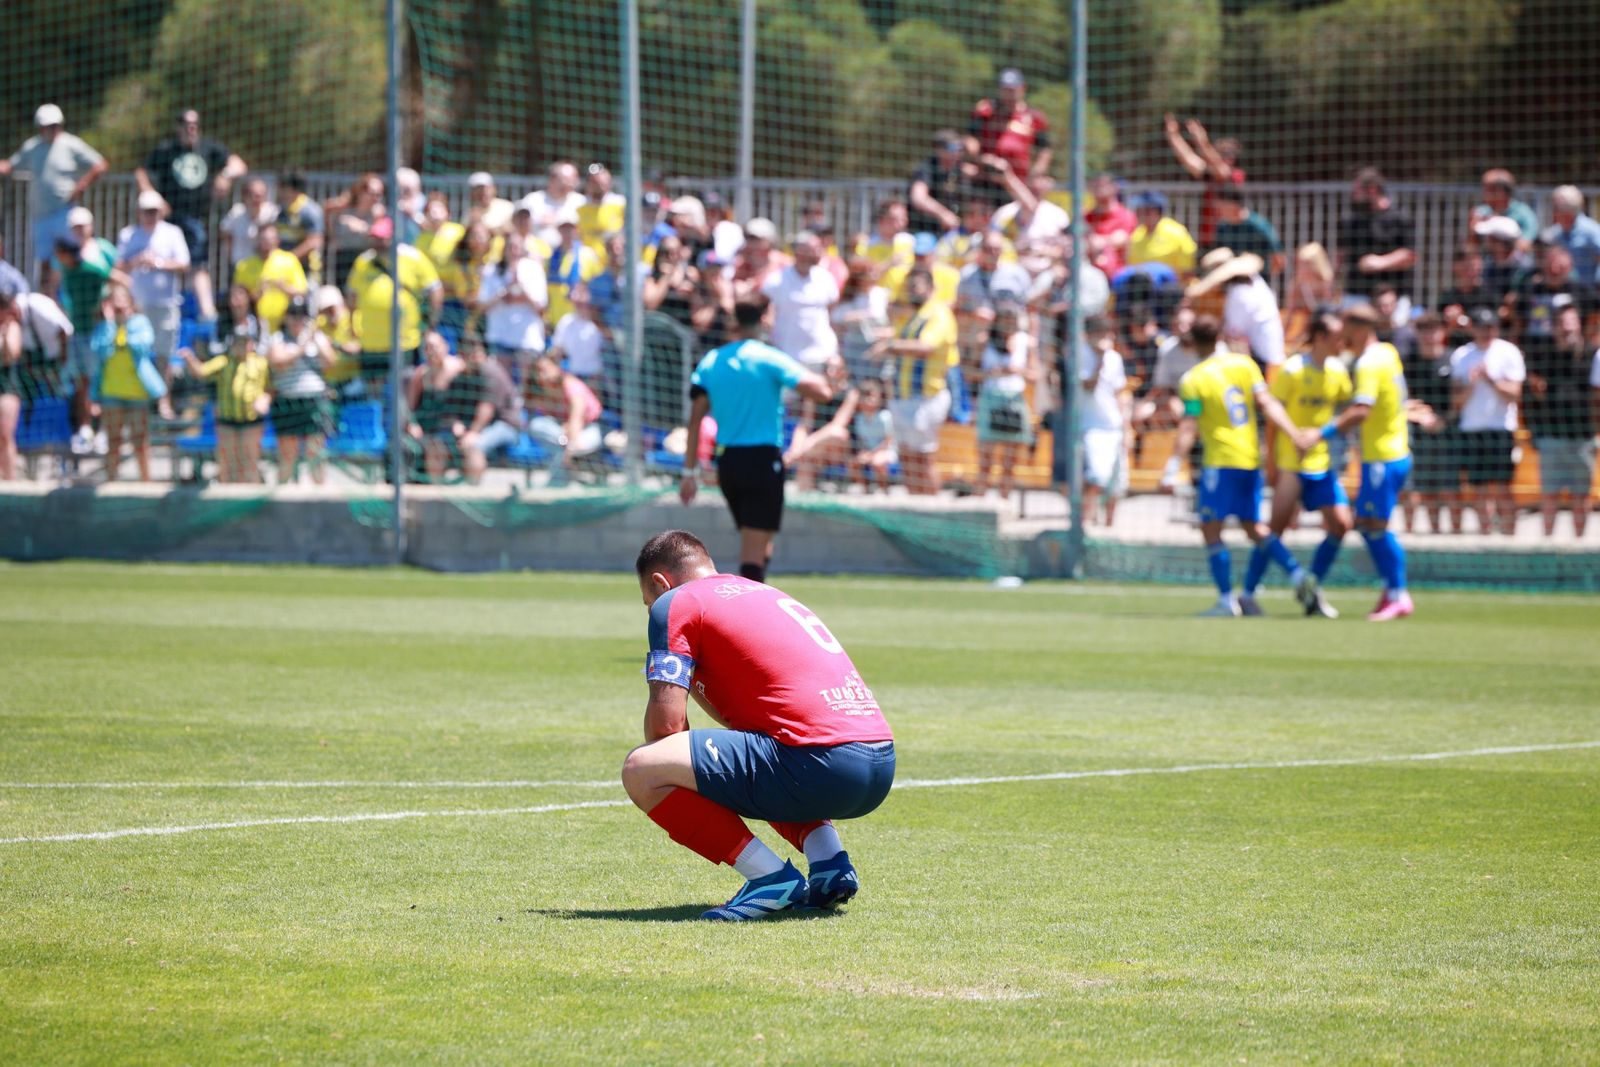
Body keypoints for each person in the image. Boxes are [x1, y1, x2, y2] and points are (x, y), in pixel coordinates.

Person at [623, 529, 895, 920]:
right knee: (762, 750)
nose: (653, 611)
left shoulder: (675, 602)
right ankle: (829, 862)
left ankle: (770, 879)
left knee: (642, 769)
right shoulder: (762, 592)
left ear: (659, 584)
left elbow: (665, 732)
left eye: (648, 603)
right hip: (878, 764)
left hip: (819, 763)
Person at [680, 294, 832, 583]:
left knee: (760, 540)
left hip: (728, 463)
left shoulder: (712, 360)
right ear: (764, 318)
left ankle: (756, 592)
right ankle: (749, 613)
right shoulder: (768, 357)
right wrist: (827, 379)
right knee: (753, 550)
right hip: (761, 461)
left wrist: (689, 471)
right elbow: (820, 392)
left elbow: (695, 419)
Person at [1173, 315, 1316, 616]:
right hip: (1251, 459)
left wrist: (1173, 465)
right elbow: (1268, 404)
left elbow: (1189, 425)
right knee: (1253, 528)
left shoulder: (1193, 379)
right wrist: (1293, 433)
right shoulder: (1245, 365)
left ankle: (1226, 600)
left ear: (1191, 344)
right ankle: (1298, 575)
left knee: (1211, 528)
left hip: (1219, 461)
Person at [1311, 304, 1419, 620]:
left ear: (1356, 329)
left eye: (1344, 329)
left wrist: (1321, 432)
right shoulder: (1387, 351)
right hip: (1395, 451)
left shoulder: (1369, 364)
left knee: (1375, 525)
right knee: (1369, 524)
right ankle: (1391, 590)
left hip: (1382, 456)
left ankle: (1398, 594)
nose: (1340, 336)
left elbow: (1362, 410)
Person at [1262, 311, 1355, 618]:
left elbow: (1349, 410)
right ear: (1319, 336)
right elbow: (1272, 418)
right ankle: (1248, 593)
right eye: (1336, 336)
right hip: (1291, 462)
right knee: (1274, 529)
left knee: (1341, 525)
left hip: (1322, 462)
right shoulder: (1292, 370)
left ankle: (1310, 582)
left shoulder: (1338, 372)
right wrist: (1271, 463)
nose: (1342, 341)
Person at [135, 109, 246, 322]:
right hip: (168, 220)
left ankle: (207, 315)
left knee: (198, 265)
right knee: (163, 263)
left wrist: (225, 175)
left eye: (195, 124)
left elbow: (239, 164)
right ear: (178, 128)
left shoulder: (208, 148)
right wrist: (152, 195)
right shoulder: (167, 150)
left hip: (197, 219)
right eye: (187, 125)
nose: (191, 129)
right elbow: (141, 172)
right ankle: (152, 311)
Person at [345, 214, 443, 439]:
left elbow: (435, 290)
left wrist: (431, 325)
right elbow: (352, 295)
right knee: (374, 398)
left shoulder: (413, 258)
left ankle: (400, 440)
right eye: (375, 238)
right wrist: (352, 327)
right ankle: (379, 440)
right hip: (371, 343)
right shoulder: (364, 261)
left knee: (403, 396)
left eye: (383, 238)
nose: (378, 243)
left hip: (405, 343)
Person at [0, 104, 108, 294]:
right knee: (44, 262)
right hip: (40, 215)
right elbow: (10, 165)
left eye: (56, 125)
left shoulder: (71, 144)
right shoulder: (32, 147)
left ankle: (73, 296)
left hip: (63, 212)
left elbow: (100, 164)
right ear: (40, 127)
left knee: (70, 256)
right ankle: (46, 300)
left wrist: (82, 185)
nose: (53, 130)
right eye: (48, 126)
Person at [869, 267, 959, 495]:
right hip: (903, 396)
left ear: (930, 288)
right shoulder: (912, 314)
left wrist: (890, 346)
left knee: (924, 458)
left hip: (926, 397)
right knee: (907, 456)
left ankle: (933, 511)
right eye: (909, 287)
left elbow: (926, 346)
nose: (911, 292)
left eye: (916, 287)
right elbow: (899, 336)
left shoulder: (939, 314)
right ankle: (914, 506)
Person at [1449, 308, 1525, 537]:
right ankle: (1487, 535)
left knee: (1503, 488)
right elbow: (1456, 401)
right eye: (1482, 327)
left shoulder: (1508, 352)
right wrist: (1472, 384)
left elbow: (1515, 394)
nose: (1486, 332)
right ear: (1473, 328)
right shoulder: (1461, 355)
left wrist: (1491, 380)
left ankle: (1509, 537)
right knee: (1479, 489)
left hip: (1501, 430)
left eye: (1491, 327)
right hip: (1472, 430)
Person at [183, 284, 270, 484]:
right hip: (227, 416)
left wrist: (265, 398)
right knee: (227, 463)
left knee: (249, 463)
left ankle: (249, 505)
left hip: (250, 419)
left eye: (244, 341)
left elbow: (270, 387)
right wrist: (189, 359)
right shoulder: (223, 360)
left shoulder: (260, 363)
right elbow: (201, 372)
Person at [1525, 305, 1596, 537]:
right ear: (1554, 326)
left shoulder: (1591, 354)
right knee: (1549, 495)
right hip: (1551, 437)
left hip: (1582, 437)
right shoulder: (1543, 356)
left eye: (1570, 322)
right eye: (1561, 322)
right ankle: (1548, 543)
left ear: (1578, 325)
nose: (1566, 327)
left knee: (1581, 495)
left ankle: (1579, 543)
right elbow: (1531, 396)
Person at [89, 282, 171, 482]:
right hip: (111, 393)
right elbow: (98, 349)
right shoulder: (104, 327)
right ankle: (111, 481)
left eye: (122, 301)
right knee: (113, 441)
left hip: (137, 393)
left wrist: (124, 329)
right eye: (114, 302)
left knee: (140, 441)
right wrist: (111, 324)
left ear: (130, 303)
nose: (118, 306)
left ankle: (146, 481)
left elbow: (143, 346)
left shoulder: (140, 323)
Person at [54, 230, 128, 446]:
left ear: (65, 253)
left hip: (98, 333)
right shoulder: (66, 272)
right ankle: (85, 428)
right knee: (81, 383)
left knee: (101, 381)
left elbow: (122, 281)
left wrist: (108, 304)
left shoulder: (93, 269)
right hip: (77, 333)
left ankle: (105, 430)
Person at [116, 190, 191, 373]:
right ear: (138, 212)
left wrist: (159, 263)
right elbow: (118, 267)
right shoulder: (128, 234)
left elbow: (184, 264)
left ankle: (163, 398)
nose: (150, 215)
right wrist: (136, 260)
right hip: (136, 306)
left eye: (154, 211)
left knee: (165, 354)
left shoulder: (173, 233)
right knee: (135, 350)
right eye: (146, 211)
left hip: (166, 305)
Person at [265, 297, 336, 483]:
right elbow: (277, 361)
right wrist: (301, 347)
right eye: (293, 315)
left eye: (301, 315)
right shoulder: (278, 338)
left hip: (314, 401)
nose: (297, 320)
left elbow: (331, 363)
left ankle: (320, 494)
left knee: (316, 453)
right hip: (288, 401)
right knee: (287, 454)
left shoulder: (317, 338)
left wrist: (316, 339)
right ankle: (282, 497)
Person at [1401, 313, 1461, 534]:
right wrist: (1420, 415)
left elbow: (1461, 397)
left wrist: (1443, 420)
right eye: (1424, 330)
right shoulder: (1408, 364)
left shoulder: (1453, 359)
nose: (1429, 335)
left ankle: (1457, 537)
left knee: (1450, 487)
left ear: (1443, 332)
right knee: (1422, 488)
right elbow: (1402, 399)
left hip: (1448, 431)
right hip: (1417, 432)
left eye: (1434, 330)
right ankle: (1428, 534)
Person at [1187, 248, 1284, 370]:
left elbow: (1234, 333)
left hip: (1264, 359)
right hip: (1268, 354)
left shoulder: (1238, 294)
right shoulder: (1254, 282)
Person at [967, 68, 1051, 200]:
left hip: (1018, 184)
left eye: (1012, 90)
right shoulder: (986, 112)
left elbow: (1044, 150)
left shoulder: (1034, 117)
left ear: (1022, 89)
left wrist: (1036, 173)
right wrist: (980, 158)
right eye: (1005, 90)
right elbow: (971, 139)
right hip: (987, 181)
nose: (1009, 94)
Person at [1162, 113, 1243, 249]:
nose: (1225, 158)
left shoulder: (1236, 175)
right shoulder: (1210, 174)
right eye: (1222, 153)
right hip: (1209, 238)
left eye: (1228, 154)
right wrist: (1173, 135)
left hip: (1234, 238)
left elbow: (1219, 167)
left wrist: (1201, 141)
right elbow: (1188, 158)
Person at [1075, 317, 1128, 525]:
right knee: (1096, 476)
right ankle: (1086, 523)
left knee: (1117, 483)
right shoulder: (1080, 355)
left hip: (1114, 426)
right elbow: (1087, 386)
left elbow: (1120, 393)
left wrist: (1126, 427)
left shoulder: (1115, 358)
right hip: (1091, 426)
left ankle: (1109, 526)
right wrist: (1099, 361)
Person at [1337, 168, 1416, 306]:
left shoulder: (1400, 217)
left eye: (1358, 191)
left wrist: (1381, 262)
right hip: (1357, 294)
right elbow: (1341, 255)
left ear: (1372, 190)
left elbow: (1410, 255)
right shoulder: (1352, 219)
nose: (1354, 196)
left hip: (1394, 296)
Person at [477, 233, 549, 383]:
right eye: (511, 246)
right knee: (501, 383)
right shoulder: (493, 269)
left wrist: (522, 293)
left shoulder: (534, 269)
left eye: (518, 247)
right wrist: (504, 294)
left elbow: (541, 307)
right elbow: (482, 305)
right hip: (499, 336)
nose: (514, 251)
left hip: (527, 339)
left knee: (524, 385)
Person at [524, 352, 604, 487]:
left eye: (545, 369)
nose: (541, 374)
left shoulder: (572, 385)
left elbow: (577, 418)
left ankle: (554, 487)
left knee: (570, 447)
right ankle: (561, 484)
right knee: (535, 425)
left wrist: (571, 442)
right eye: (537, 371)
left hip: (589, 429)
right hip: (561, 434)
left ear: (557, 368)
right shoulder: (541, 390)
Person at [783, 356, 858, 492]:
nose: (831, 372)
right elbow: (805, 425)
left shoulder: (851, 393)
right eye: (827, 368)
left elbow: (837, 424)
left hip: (841, 448)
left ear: (844, 371)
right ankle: (806, 501)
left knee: (837, 433)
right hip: (815, 450)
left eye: (835, 368)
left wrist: (804, 446)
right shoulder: (815, 392)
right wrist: (794, 449)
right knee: (805, 461)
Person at [232, 223, 307, 335]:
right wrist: (256, 295)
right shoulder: (244, 266)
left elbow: (302, 291)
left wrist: (283, 287)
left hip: (285, 328)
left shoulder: (289, 260)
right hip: (254, 326)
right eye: (264, 239)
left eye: (270, 239)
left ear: (277, 240)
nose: (267, 243)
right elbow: (237, 298)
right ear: (257, 240)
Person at [831, 258, 891, 385]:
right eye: (869, 272)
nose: (874, 275)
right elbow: (836, 321)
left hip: (879, 351)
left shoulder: (881, 295)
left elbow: (892, 323)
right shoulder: (850, 298)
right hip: (854, 352)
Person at [907, 130, 975, 236]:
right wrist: (943, 214)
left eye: (960, 148)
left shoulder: (959, 169)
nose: (957, 153)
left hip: (955, 231)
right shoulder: (927, 168)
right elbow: (918, 198)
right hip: (925, 230)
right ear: (939, 150)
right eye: (952, 148)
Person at [1211, 187, 1285, 276]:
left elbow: (1279, 259)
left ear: (1235, 205)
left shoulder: (1259, 226)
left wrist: (1262, 279)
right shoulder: (1222, 227)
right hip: (1229, 283)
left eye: (1222, 206)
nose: (1219, 210)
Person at [1126, 191, 1197, 278]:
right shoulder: (1137, 234)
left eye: (1147, 211)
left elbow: (1187, 270)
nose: (1142, 214)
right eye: (1140, 210)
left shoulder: (1176, 232)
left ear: (1158, 212)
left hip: (1172, 287)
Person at [1541, 185, 1600, 286]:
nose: (1553, 212)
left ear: (1568, 212)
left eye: (1556, 208)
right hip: (1561, 293)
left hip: (1587, 294)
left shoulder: (1591, 231)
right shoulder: (1555, 233)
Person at [520, 161, 586, 250]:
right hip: (536, 254)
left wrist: (555, 222)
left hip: (570, 255)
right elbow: (517, 227)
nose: (570, 183)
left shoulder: (581, 202)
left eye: (574, 179)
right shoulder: (533, 200)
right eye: (566, 179)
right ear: (552, 179)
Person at [273, 173, 325, 284]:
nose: (278, 191)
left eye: (282, 187)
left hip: (306, 270)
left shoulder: (310, 211)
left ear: (292, 189)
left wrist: (290, 258)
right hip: (284, 269)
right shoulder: (281, 210)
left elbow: (315, 241)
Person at [848, 379, 897, 492]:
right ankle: (866, 490)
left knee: (877, 462)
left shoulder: (885, 417)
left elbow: (888, 440)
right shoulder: (859, 418)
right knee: (854, 462)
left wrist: (872, 454)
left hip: (888, 452)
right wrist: (863, 453)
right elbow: (861, 440)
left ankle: (884, 490)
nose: (870, 400)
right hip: (870, 451)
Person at [1085, 173, 1137, 277]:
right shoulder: (1085, 216)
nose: (1099, 189)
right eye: (1095, 185)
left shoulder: (1126, 215)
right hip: (1087, 272)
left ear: (1115, 187)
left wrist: (1095, 242)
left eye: (1103, 185)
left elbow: (1120, 240)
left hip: (1117, 275)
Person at [219, 177, 277, 269]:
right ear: (245, 195)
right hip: (240, 265)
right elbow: (224, 233)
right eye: (254, 194)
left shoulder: (272, 213)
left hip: (265, 266)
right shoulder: (236, 212)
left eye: (261, 195)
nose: (257, 199)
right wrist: (230, 254)